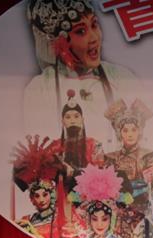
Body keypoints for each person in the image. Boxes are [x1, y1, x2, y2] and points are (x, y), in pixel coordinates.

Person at [24, 0, 137, 145]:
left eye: (94, 25)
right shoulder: (40, 88)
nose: (94, 38)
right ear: (58, 42)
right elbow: (40, 145)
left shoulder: (122, 78)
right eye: (80, 31)